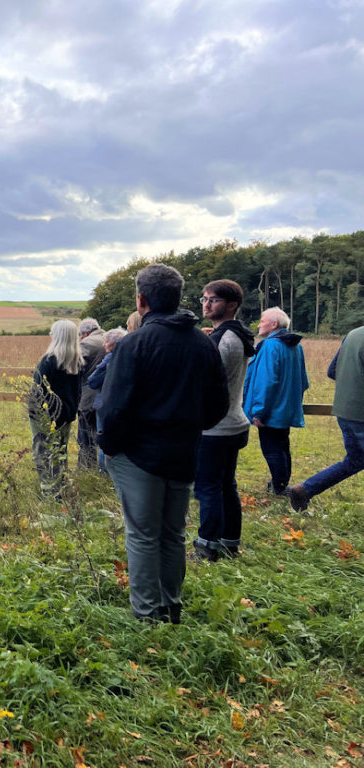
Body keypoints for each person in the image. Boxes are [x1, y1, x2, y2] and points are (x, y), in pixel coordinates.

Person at [99, 264, 228, 623]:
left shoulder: (135, 344)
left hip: (140, 456)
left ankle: (146, 613)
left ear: (142, 300)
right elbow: (219, 402)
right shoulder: (203, 343)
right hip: (184, 452)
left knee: (142, 534)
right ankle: (170, 606)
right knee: (172, 533)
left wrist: (110, 446)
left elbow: (112, 407)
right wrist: (189, 428)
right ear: (177, 297)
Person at [192, 280, 256, 561]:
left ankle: (207, 546)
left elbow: (206, 382)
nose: (206, 304)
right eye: (204, 299)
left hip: (216, 426)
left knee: (208, 487)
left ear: (231, 305)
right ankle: (230, 542)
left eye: (213, 300)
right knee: (226, 485)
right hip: (234, 421)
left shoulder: (225, 340)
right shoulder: (236, 335)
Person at [288, 325, 364, 511]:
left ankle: (305, 489)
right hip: (361, 414)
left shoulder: (353, 334)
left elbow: (332, 371)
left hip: (344, 411)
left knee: (356, 460)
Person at [242, 307, 309, 496]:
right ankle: (280, 483)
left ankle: (279, 487)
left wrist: (259, 411)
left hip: (271, 410)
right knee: (282, 446)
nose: (259, 324)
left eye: (262, 320)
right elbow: (303, 381)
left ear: (273, 325)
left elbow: (266, 382)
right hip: (285, 408)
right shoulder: (295, 346)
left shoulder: (270, 346)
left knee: (272, 448)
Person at [28, 320, 82, 498]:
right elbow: (77, 391)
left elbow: (37, 391)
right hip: (65, 414)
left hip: (45, 416)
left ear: (57, 336)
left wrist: (34, 412)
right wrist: (71, 411)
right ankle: (61, 486)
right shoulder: (76, 361)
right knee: (60, 450)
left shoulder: (49, 360)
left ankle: (50, 492)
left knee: (43, 452)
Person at [86, 327, 127, 471]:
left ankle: (103, 471)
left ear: (113, 343)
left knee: (104, 436)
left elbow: (93, 380)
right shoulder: (128, 356)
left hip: (105, 402)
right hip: (124, 403)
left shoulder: (110, 358)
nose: (104, 345)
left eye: (106, 342)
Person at [76, 318, 106, 470]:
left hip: (88, 397)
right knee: (102, 432)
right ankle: (104, 469)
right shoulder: (107, 338)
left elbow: (74, 367)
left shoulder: (86, 344)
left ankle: (87, 469)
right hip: (106, 396)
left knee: (86, 436)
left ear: (85, 333)